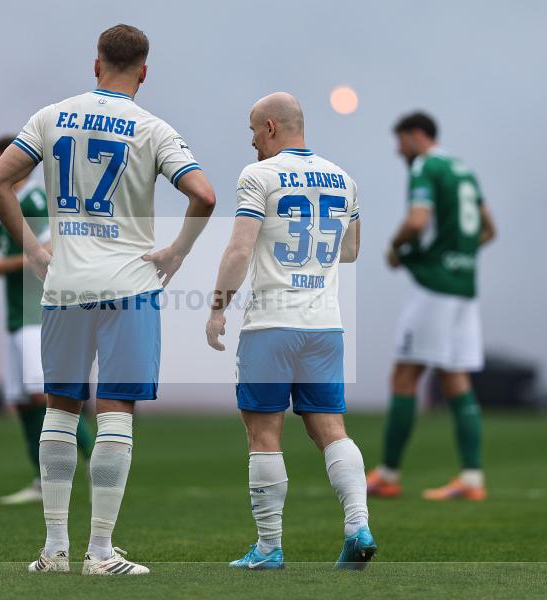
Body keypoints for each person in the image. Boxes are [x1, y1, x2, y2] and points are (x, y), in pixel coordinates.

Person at [0, 24, 216, 575]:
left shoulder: (51, 115)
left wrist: (36, 253)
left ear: (95, 65)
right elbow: (204, 194)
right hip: (128, 285)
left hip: (64, 285)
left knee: (60, 410)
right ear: (144, 70)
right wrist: (178, 252)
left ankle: (54, 551)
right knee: (115, 413)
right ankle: (101, 552)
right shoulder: (153, 129)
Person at [206, 92, 376, 570]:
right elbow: (351, 251)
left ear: (273, 127)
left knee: (264, 433)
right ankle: (357, 526)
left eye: (254, 130)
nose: (252, 141)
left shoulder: (258, 176)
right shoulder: (345, 179)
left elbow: (240, 250)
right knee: (332, 430)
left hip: (271, 325)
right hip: (325, 325)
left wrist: (218, 307)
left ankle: (268, 548)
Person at [367, 112, 496, 501]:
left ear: (417, 135)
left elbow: (418, 220)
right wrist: (458, 255)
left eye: (400, 140)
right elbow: (489, 229)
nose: (398, 150)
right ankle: (472, 479)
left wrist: (396, 247)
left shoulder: (426, 166)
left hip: (435, 288)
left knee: (404, 376)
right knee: (455, 378)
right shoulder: (464, 170)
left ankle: (388, 474)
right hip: (464, 286)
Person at [0, 135, 94, 505]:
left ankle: (94, 456)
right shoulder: (11, 202)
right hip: (16, 317)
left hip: (40, 312)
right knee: (21, 400)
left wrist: (2, 266)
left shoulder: (36, 199)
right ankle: (40, 479)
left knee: (44, 394)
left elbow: (52, 249)